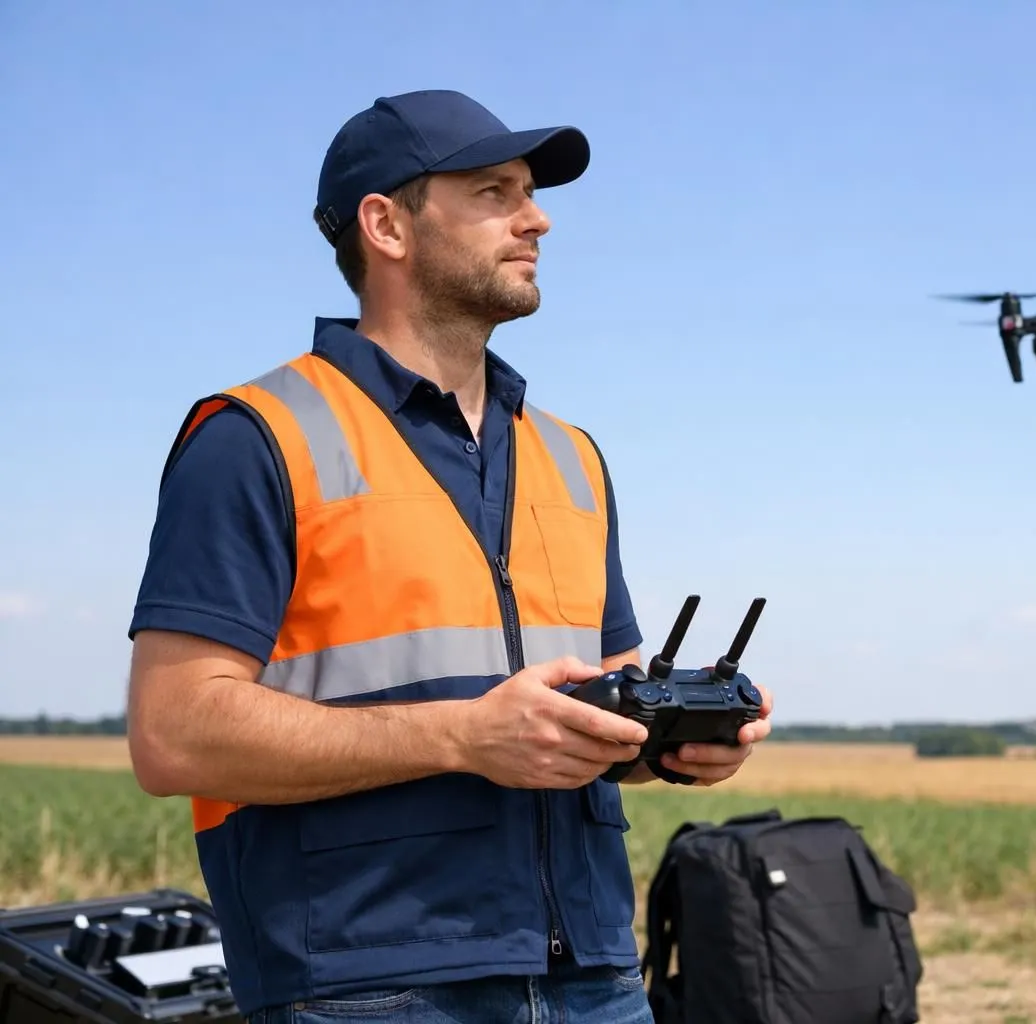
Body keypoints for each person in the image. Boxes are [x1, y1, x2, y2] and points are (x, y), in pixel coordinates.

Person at [124, 89, 773, 1024]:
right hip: (370, 985)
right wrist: (462, 736)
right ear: (386, 226)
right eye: (494, 192)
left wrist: (669, 744)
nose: (537, 219)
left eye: (531, 194)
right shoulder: (253, 437)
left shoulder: (571, 455)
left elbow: (593, 717)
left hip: (594, 975)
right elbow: (174, 734)